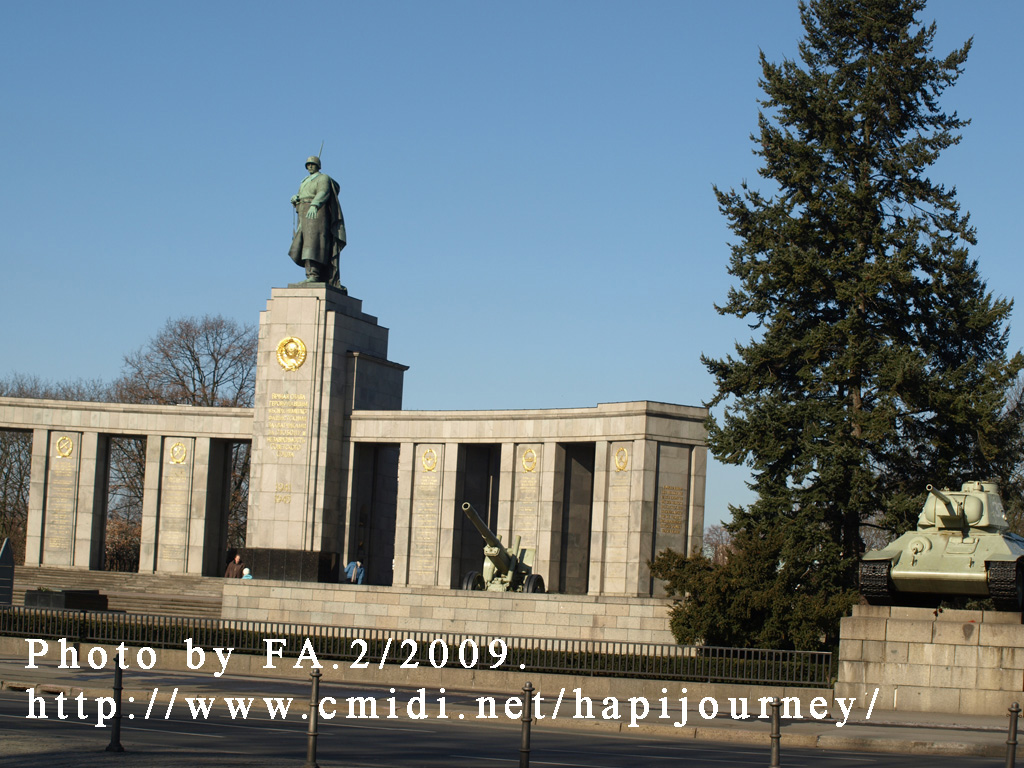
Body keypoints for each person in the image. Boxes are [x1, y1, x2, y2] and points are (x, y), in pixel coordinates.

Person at [288, 155, 347, 291]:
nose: (310, 166)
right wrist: (296, 198)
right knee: (303, 243)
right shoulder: (304, 181)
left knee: (313, 243)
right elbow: (303, 195)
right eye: (308, 164)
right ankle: (310, 274)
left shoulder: (323, 178)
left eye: (312, 164)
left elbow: (323, 192)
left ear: (318, 166)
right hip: (303, 212)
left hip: (316, 212)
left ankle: (314, 274)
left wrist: (315, 205)